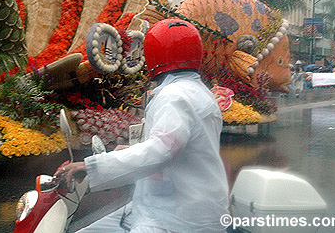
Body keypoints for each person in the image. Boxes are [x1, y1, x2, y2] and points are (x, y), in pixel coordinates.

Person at [57, 19, 229, 233]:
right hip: (178, 208)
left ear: (155, 56)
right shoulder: (199, 92)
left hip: (175, 219)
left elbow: (161, 149)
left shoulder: (174, 97)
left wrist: (90, 167)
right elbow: (179, 146)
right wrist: (130, 151)